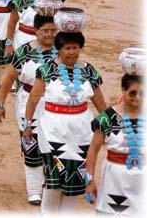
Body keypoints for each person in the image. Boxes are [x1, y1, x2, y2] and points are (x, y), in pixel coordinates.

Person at [23, 13, 107, 216]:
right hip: (52, 130)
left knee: (76, 179)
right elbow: (34, 98)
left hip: (81, 131)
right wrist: (27, 125)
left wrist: (109, 125)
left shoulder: (89, 72)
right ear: (59, 49)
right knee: (54, 181)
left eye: (75, 48)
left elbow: (99, 102)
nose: (72, 52)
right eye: (67, 48)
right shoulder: (46, 69)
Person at [0, 13, 59, 205]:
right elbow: (8, 80)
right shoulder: (23, 52)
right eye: (45, 30)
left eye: (53, 30)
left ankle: (50, 182)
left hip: (55, 103)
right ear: (36, 31)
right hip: (27, 101)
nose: (49, 34)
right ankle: (33, 190)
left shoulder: (63, 50)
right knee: (30, 142)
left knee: (52, 142)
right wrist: (0, 104)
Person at [85, 73, 146, 216]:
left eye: (142, 93)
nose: (137, 97)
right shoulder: (107, 118)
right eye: (132, 93)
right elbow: (93, 150)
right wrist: (90, 182)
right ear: (123, 91)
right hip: (114, 179)